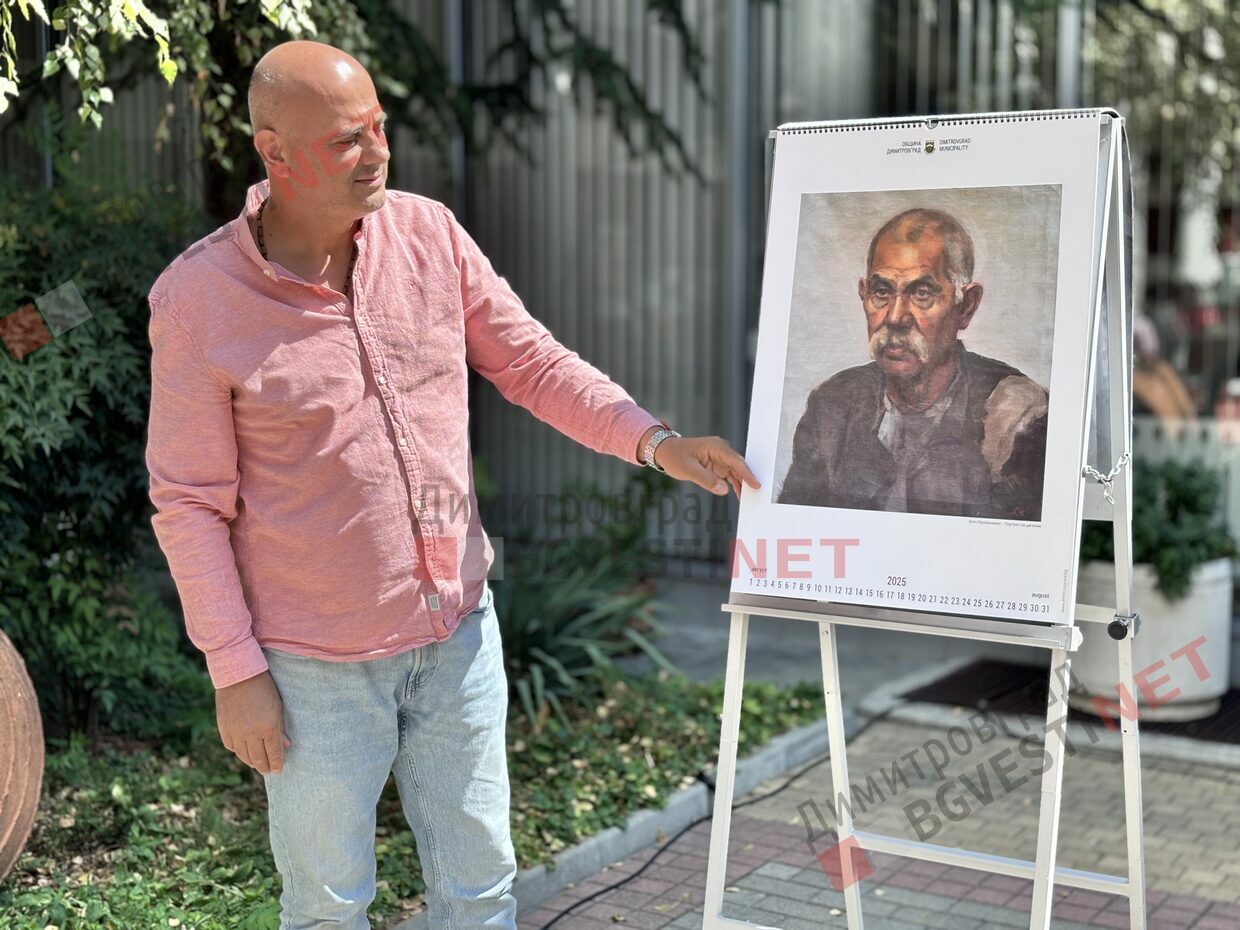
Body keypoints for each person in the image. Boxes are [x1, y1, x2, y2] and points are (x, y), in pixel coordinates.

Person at [144, 40, 759, 930]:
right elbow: (189, 505)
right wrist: (234, 671)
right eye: (348, 140)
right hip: (314, 671)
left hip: (459, 638)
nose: (378, 152)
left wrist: (656, 442)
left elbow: (533, 364)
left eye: (379, 128)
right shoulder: (200, 300)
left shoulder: (428, 234)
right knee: (325, 910)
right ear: (274, 152)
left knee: (480, 895)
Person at [777, 208, 1048, 521]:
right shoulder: (833, 404)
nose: (895, 317)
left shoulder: (1013, 413)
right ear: (864, 295)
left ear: (966, 306)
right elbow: (793, 526)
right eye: (881, 291)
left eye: (921, 293)